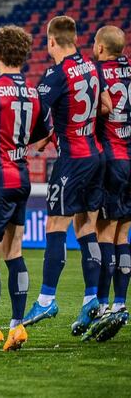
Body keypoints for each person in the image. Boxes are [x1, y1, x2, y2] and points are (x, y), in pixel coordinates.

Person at [0, 26, 51, 355]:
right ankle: (17, 326)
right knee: (14, 252)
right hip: (21, 178)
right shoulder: (34, 94)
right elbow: (43, 133)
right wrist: (18, 149)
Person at [23, 16, 105, 337]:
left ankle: (46, 299)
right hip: (95, 156)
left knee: (55, 225)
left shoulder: (55, 75)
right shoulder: (91, 67)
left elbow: (33, 112)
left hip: (71, 160)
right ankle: (91, 301)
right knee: (86, 227)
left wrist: (29, 139)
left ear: (52, 42)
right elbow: (104, 106)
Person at [82, 25, 131, 342]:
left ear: (100, 47)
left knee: (105, 232)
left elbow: (105, 107)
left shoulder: (98, 71)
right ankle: (121, 303)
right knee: (124, 232)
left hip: (112, 159)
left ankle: (101, 305)